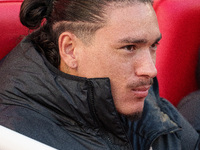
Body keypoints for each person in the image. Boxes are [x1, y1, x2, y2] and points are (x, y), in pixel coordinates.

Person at [0, 0, 199, 149]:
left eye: (153, 45)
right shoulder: (15, 136)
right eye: (129, 47)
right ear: (70, 50)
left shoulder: (143, 102)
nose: (150, 69)